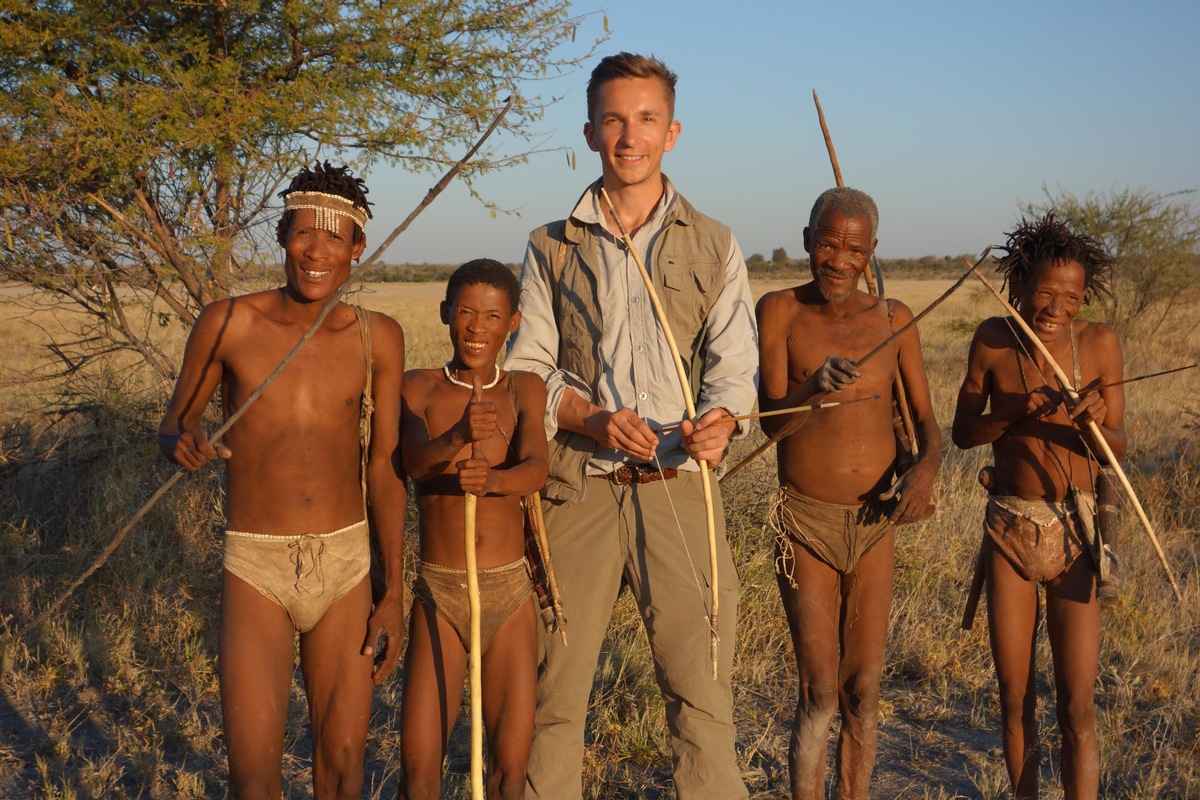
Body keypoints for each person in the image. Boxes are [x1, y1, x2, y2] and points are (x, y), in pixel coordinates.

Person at [505, 52, 758, 800]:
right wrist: (591, 417)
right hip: (577, 485)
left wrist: (720, 421)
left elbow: (734, 367)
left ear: (671, 132)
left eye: (646, 119)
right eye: (613, 119)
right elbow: (530, 371)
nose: (629, 135)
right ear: (590, 132)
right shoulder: (552, 245)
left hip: (678, 485)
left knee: (702, 692)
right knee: (554, 693)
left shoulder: (714, 241)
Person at [158, 162, 406, 799]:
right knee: (253, 774)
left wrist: (393, 588)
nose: (316, 252)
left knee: (343, 766)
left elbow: (383, 467)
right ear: (281, 236)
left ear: (358, 248)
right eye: (303, 234)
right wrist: (183, 442)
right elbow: (175, 421)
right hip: (256, 564)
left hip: (347, 564)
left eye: (334, 238)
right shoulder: (229, 322)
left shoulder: (379, 338)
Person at [755, 187, 941, 800]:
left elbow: (927, 424)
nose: (837, 260)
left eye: (853, 249)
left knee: (864, 687)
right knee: (820, 691)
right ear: (806, 239)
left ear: (872, 253)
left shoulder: (893, 320)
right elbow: (771, 425)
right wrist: (810, 387)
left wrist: (924, 471)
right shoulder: (780, 310)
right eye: (827, 244)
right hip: (805, 520)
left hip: (874, 521)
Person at [952, 213, 1122, 800]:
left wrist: (1098, 421)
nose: (1056, 307)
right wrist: (1013, 411)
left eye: (1071, 296)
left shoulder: (1097, 343)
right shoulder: (993, 339)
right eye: (1044, 292)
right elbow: (963, 432)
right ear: (1018, 283)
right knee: (1014, 696)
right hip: (1010, 526)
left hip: (1077, 530)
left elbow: (1119, 446)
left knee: (1078, 704)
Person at [397, 259, 548, 800]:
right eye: (465, 312)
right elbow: (412, 463)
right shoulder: (418, 387)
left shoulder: (524, 388)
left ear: (513, 323)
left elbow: (536, 468)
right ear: (444, 314)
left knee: (509, 763)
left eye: (492, 316)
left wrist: (494, 482)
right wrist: (457, 436)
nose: (477, 328)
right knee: (419, 766)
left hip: (507, 588)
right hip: (439, 589)